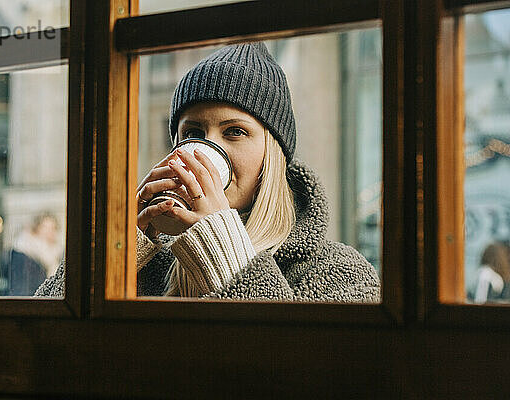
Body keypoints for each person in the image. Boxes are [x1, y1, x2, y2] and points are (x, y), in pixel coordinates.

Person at [36, 42, 380, 302]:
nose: (205, 151)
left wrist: (224, 252)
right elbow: (44, 339)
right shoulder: (150, 258)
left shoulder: (337, 270)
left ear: (272, 155)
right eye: (192, 134)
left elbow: (299, 371)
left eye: (234, 132)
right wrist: (119, 242)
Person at [4, 212, 63, 296]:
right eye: (45, 227)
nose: (49, 232)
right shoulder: (23, 252)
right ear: (36, 229)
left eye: (53, 228)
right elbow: (21, 289)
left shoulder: (56, 253)